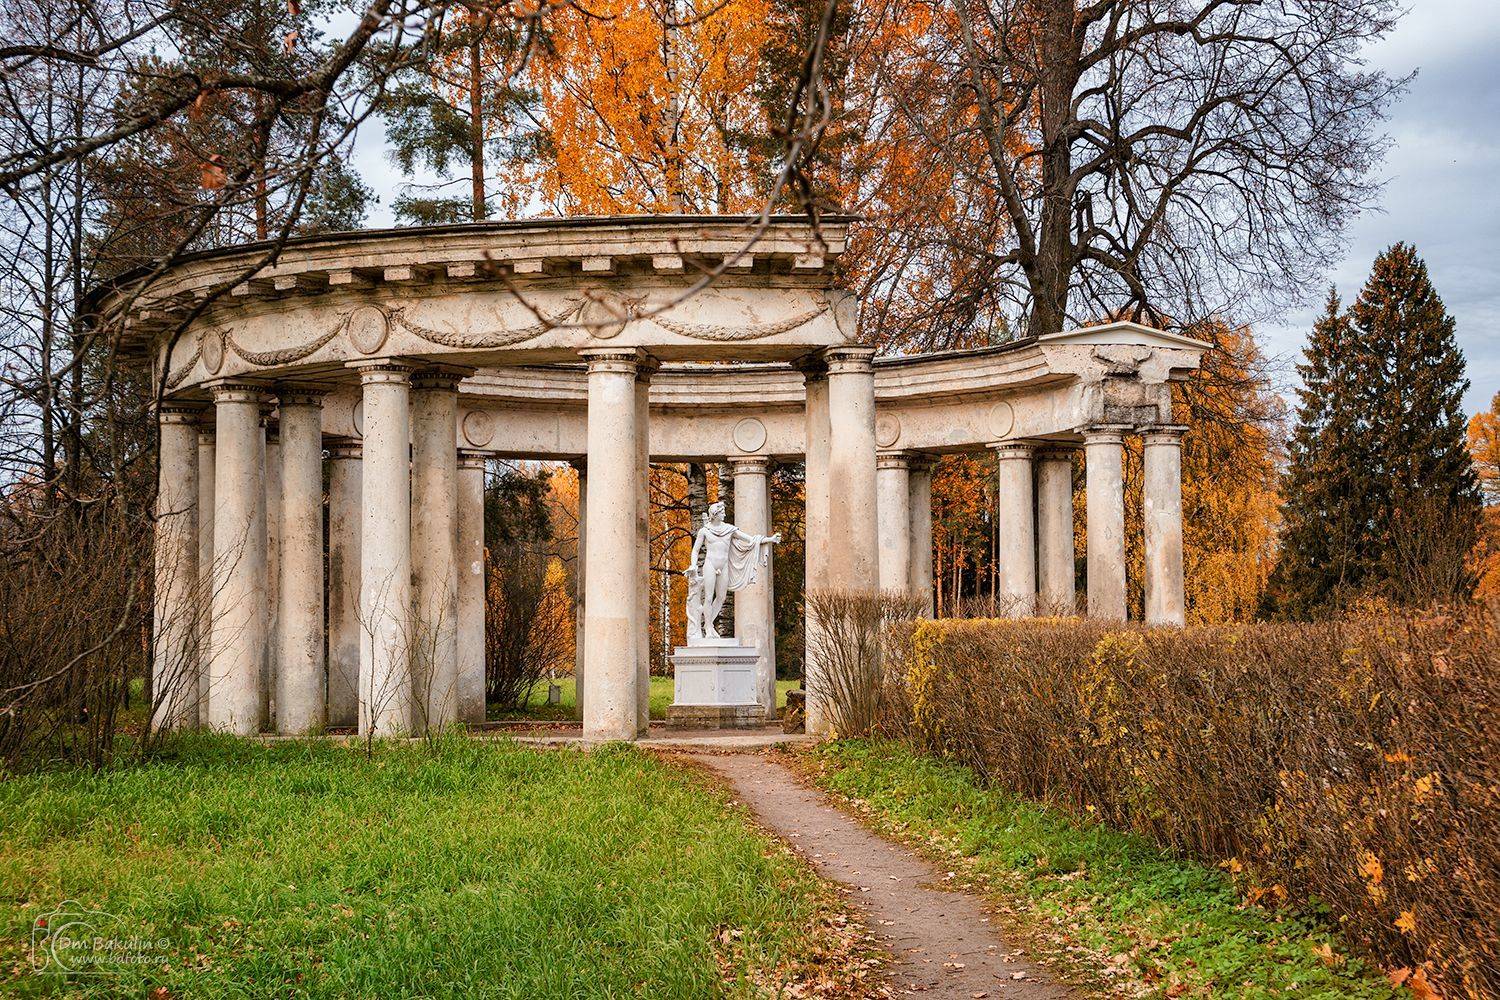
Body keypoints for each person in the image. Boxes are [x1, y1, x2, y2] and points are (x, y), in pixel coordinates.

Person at [685, 501, 780, 640]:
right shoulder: (705, 530)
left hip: (724, 566)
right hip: (710, 565)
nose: (724, 514)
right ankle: (709, 627)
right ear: (715, 514)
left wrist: (770, 539)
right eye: (722, 512)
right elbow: (696, 550)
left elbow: (751, 540)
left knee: (722, 597)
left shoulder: (730, 529)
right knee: (709, 597)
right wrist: (693, 565)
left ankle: (708, 623)